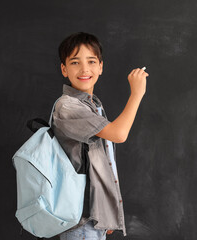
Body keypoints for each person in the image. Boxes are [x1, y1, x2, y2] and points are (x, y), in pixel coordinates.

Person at [52, 32, 148, 240]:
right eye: (75, 62)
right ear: (64, 69)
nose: (85, 69)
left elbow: (103, 162)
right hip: (80, 222)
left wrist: (106, 213)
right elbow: (118, 134)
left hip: (91, 221)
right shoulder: (67, 106)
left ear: (101, 67)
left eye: (91, 61)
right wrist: (137, 93)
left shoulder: (92, 104)